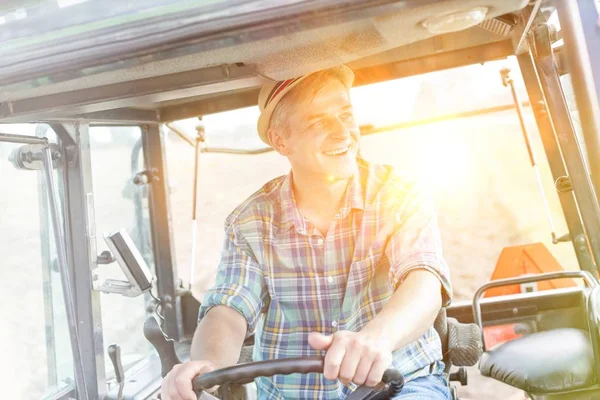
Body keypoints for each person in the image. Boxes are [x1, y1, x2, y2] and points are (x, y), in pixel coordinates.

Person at [161, 65, 452, 400]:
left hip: (401, 385)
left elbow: (424, 278)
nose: (342, 133)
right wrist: (206, 364)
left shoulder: (400, 194)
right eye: (318, 121)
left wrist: (377, 338)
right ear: (281, 141)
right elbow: (229, 308)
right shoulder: (250, 222)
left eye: (345, 114)